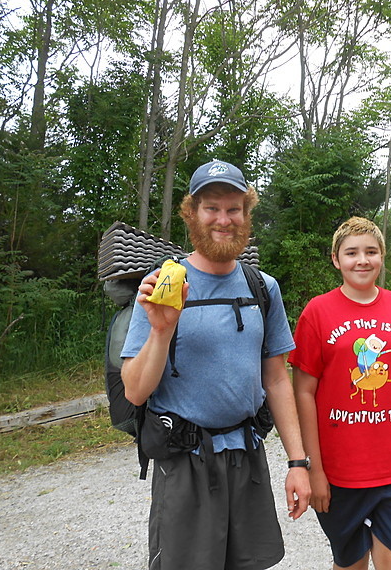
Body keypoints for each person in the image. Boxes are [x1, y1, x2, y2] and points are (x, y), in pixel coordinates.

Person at [120, 160, 311, 570]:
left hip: (248, 456)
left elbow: (277, 380)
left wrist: (298, 463)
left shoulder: (263, 287)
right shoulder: (161, 286)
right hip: (185, 462)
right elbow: (135, 390)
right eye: (212, 208)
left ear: (246, 214)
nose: (223, 220)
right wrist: (161, 330)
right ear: (192, 213)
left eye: (234, 208)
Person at [289, 216, 391, 570]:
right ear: (336, 259)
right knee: (351, 564)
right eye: (352, 252)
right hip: (341, 475)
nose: (362, 260)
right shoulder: (316, 313)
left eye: (371, 251)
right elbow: (303, 394)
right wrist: (316, 470)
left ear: (382, 256)